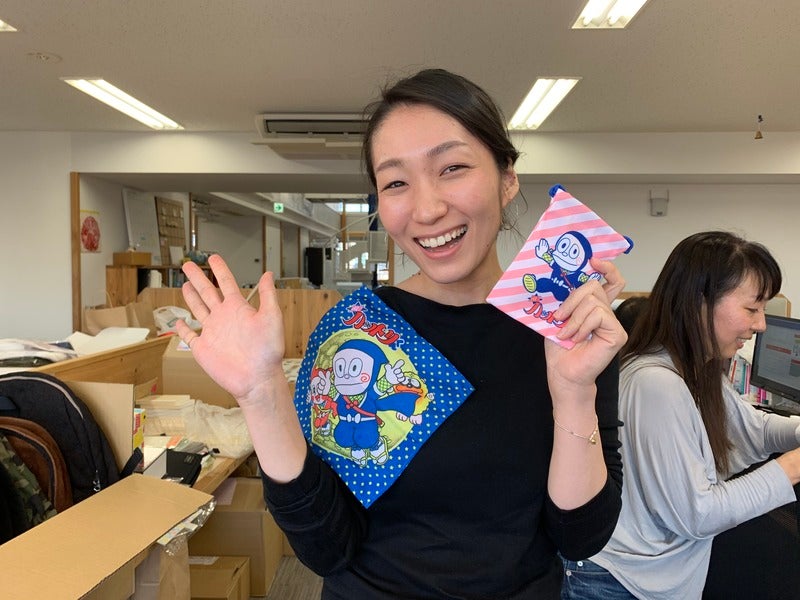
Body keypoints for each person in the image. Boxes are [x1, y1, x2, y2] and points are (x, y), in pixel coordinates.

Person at [176, 68, 627, 599]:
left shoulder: (564, 324)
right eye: (395, 183)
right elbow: (325, 548)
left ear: (508, 178)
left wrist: (573, 393)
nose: (427, 209)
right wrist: (260, 393)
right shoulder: (356, 331)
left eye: (452, 168)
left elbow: (580, 538)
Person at [561, 231, 800, 600]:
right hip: (618, 582)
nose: (761, 325)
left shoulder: (697, 369)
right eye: (752, 309)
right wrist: (792, 467)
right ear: (699, 302)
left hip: (649, 577)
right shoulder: (657, 383)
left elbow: (754, 428)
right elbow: (698, 514)